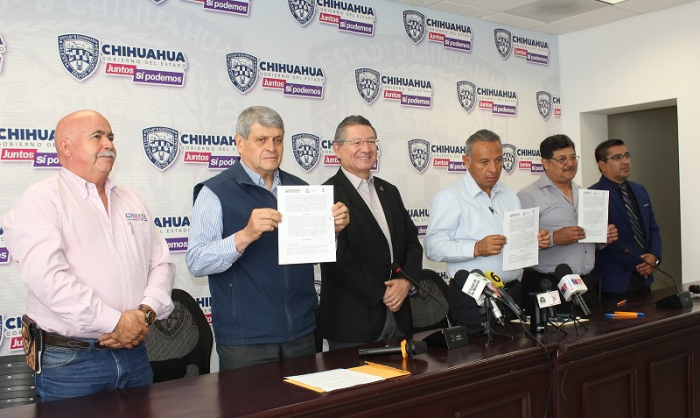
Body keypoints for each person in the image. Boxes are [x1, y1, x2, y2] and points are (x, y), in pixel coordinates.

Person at [2, 110, 175, 402]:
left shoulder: (132, 199)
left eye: (110, 137)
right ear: (66, 147)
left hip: (134, 354)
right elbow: (49, 280)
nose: (109, 144)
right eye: (97, 136)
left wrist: (144, 313)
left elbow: (162, 264)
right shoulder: (42, 199)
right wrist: (116, 323)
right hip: (72, 363)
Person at [186, 106, 349, 370]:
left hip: (302, 332)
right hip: (246, 340)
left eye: (278, 139)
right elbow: (196, 262)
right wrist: (244, 236)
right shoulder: (214, 192)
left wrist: (332, 232)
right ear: (240, 143)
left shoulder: (300, 189)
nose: (271, 148)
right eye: (261, 140)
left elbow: (313, 255)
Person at [425, 129, 550, 326]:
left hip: (512, 292)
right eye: (484, 162)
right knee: (480, 346)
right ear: (466, 161)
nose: (493, 169)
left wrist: (534, 240)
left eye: (498, 160)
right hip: (474, 297)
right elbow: (433, 247)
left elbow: (516, 240)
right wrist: (476, 248)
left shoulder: (509, 194)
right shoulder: (449, 198)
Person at [320, 115, 422, 350]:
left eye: (371, 142)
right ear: (337, 149)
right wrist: (382, 293)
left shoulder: (390, 191)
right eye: (356, 142)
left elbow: (411, 243)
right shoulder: (326, 194)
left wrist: (405, 282)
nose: (366, 149)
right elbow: (336, 257)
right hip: (353, 321)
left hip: (400, 315)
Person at [518, 134, 618, 305]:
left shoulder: (585, 193)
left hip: (584, 283)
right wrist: (554, 238)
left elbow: (592, 241)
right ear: (545, 162)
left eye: (573, 157)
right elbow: (521, 244)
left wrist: (603, 238)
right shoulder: (528, 196)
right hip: (548, 284)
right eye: (562, 159)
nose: (570, 163)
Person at [590, 139, 661, 295]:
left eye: (627, 156)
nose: (625, 161)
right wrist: (640, 262)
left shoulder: (640, 190)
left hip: (644, 278)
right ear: (602, 165)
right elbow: (602, 241)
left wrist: (654, 256)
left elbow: (652, 227)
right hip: (614, 282)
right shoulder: (593, 195)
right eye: (617, 157)